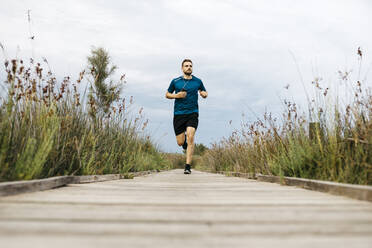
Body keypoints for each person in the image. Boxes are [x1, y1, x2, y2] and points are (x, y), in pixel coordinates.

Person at [165, 59, 208, 174]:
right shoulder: (176, 81)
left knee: (190, 137)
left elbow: (204, 91)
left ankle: (187, 166)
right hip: (179, 114)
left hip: (192, 113)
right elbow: (167, 94)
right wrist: (177, 95)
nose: (189, 67)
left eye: (190, 66)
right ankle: (184, 144)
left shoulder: (198, 81)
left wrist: (204, 94)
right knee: (180, 142)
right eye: (186, 66)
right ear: (182, 68)